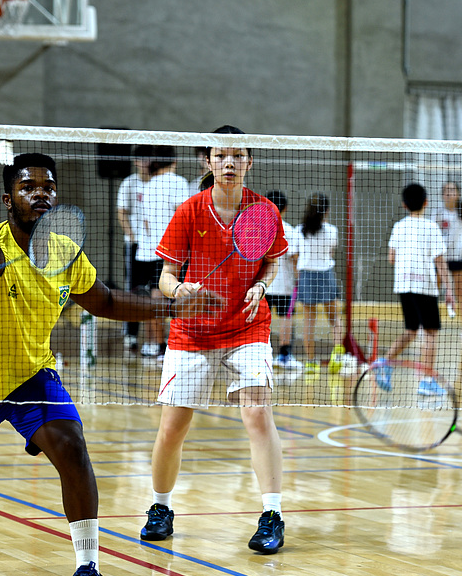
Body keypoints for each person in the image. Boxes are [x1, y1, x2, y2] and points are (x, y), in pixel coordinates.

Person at [0, 153, 218, 576]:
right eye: (28, 188)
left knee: (71, 446)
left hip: (32, 377)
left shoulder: (64, 252)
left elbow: (106, 301)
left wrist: (171, 310)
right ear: (9, 200)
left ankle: (88, 565)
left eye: (48, 187)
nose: (40, 194)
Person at [142, 125, 290, 554]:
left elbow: (271, 265)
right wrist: (181, 291)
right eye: (220, 155)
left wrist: (261, 287)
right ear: (206, 162)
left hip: (247, 327)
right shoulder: (189, 211)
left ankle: (272, 514)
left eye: (237, 155)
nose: (229, 162)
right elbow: (167, 277)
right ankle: (160, 508)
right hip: (193, 331)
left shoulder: (264, 212)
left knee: (257, 414)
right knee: (172, 427)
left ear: (248, 162)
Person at [371, 183, 451, 396]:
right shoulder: (431, 227)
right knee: (431, 334)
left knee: (411, 330)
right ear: (426, 203)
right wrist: (449, 290)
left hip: (404, 285)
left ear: (404, 204)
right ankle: (426, 380)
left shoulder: (399, 226)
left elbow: (391, 258)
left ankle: (384, 362)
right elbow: (440, 262)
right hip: (425, 286)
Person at [137, 145, 191, 360]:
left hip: (150, 251)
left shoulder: (147, 185)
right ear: (174, 161)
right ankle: (179, 344)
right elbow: (184, 217)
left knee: (154, 298)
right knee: (181, 296)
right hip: (173, 252)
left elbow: (147, 222)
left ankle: (158, 345)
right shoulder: (178, 182)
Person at [295, 192, 345, 374]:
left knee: (309, 321)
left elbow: (295, 256)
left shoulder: (299, 230)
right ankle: (338, 354)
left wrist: (297, 276)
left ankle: (310, 362)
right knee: (334, 318)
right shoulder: (332, 230)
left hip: (306, 276)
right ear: (327, 211)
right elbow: (331, 252)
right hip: (325, 274)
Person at [116, 145, 154, 353]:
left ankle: (156, 340)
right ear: (135, 161)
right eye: (140, 158)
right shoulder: (129, 183)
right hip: (135, 246)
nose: (144, 162)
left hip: (156, 247)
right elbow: (121, 212)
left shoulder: (159, 182)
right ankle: (131, 335)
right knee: (134, 290)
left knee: (156, 291)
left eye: (148, 158)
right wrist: (133, 237)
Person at [433, 181, 462, 341]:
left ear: (457, 194)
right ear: (442, 194)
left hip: (457, 257)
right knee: (434, 292)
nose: (449, 193)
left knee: (460, 293)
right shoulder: (438, 212)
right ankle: (428, 326)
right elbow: (433, 233)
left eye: (452, 190)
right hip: (440, 259)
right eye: (445, 190)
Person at [265, 190, 304, 370]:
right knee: (286, 319)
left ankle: (260, 355)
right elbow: (294, 257)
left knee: (260, 320)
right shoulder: (289, 230)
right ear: (285, 208)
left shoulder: (257, 228)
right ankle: (284, 355)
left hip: (263, 285)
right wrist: (298, 278)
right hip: (285, 286)